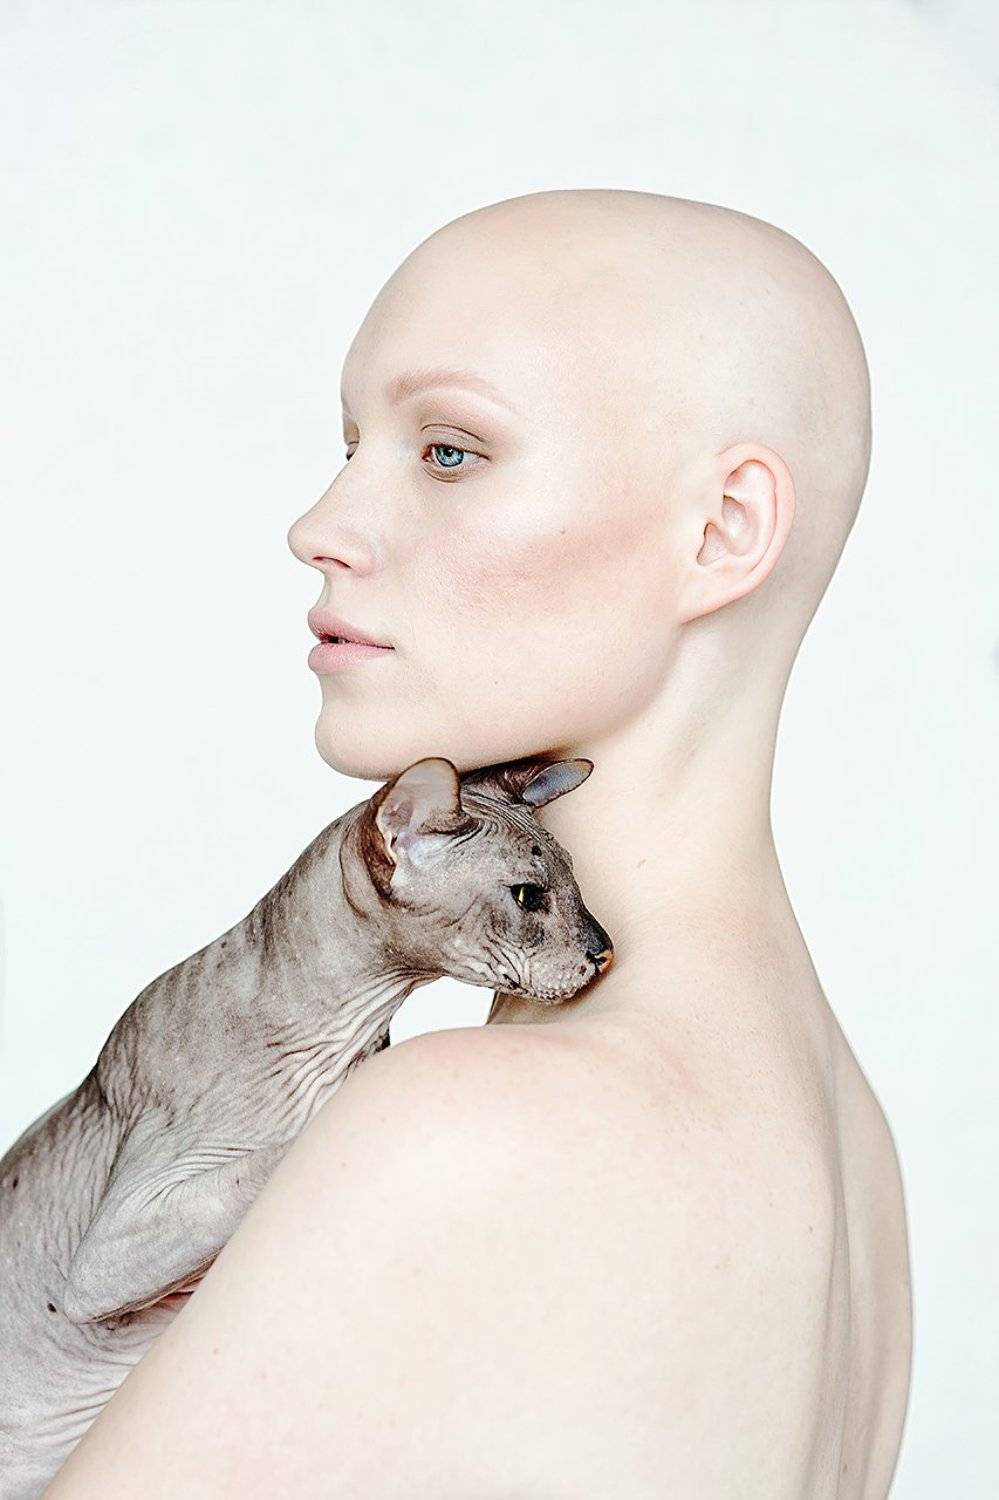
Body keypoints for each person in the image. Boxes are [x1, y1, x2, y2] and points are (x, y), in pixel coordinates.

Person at [44, 188, 912, 1498]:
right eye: (351, 443)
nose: (319, 526)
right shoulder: (851, 1154)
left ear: (722, 532)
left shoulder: (466, 1131)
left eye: (449, 451)